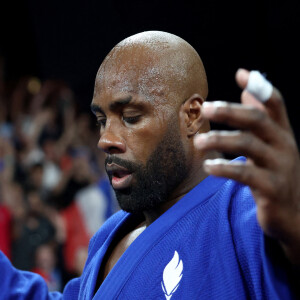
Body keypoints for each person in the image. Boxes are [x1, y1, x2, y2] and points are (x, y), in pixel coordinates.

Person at [0, 31, 299, 299]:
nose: (105, 139)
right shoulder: (109, 234)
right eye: (102, 121)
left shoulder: (243, 204)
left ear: (192, 116)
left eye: (130, 117)